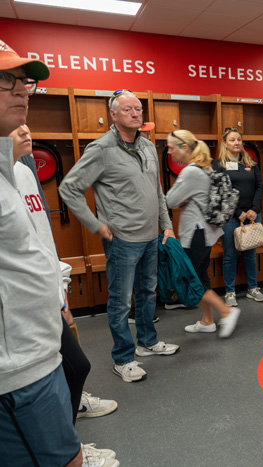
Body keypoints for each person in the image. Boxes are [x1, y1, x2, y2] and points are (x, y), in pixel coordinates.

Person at [0, 38, 96, 467]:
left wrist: (57, 298)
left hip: (39, 345)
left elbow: (32, 248)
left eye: (24, 81)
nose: (22, 90)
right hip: (16, 368)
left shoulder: (17, 172)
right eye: (7, 80)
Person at [12, 124, 119, 463]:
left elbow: (41, 238)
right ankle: (69, 448)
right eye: (15, 126)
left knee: (74, 368)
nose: (26, 130)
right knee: (71, 369)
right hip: (18, 311)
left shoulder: (24, 172)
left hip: (45, 296)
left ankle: (69, 439)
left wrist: (59, 286)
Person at [60, 89, 179, 384]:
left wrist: (166, 224)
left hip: (152, 236)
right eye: (128, 110)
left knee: (148, 293)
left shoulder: (149, 147)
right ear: (113, 115)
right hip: (122, 240)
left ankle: (147, 342)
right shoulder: (100, 149)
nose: (136, 114)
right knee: (120, 302)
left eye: (138, 109)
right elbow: (69, 188)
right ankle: (123, 358)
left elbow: (157, 191)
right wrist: (95, 224)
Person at [165, 129, 241, 337]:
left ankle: (226, 312)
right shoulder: (204, 168)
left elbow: (170, 200)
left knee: (195, 279)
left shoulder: (190, 171)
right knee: (201, 275)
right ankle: (207, 321)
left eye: (172, 147)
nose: (169, 151)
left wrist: (183, 199)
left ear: (185, 147)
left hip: (195, 232)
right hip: (205, 232)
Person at [213, 127, 263, 306]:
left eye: (239, 139)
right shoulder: (218, 165)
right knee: (230, 255)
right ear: (224, 143)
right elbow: (221, 192)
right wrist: (238, 213)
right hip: (231, 217)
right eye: (232, 140)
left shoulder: (250, 162)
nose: (236, 143)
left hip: (252, 216)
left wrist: (254, 209)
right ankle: (230, 292)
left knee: (251, 253)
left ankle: (253, 288)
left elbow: (259, 186)